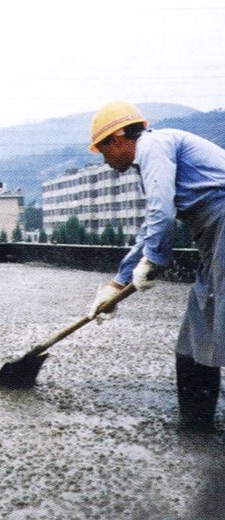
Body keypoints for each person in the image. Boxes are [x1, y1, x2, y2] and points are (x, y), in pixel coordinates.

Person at [87, 100, 225, 434]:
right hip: (211, 236)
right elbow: (153, 225)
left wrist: (154, 260)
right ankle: (196, 423)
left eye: (103, 149)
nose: (105, 160)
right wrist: (116, 286)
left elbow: (161, 211)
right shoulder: (150, 156)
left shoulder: (153, 144)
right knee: (198, 327)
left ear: (119, 136)